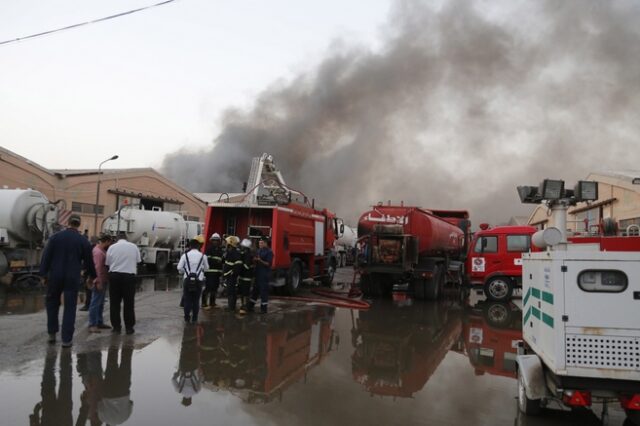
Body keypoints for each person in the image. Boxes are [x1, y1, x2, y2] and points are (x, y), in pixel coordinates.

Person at [39, 214, 96, 347]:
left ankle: (52, 334)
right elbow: (89, 261)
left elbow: (46, 257)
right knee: (70, 307)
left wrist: (43, 275)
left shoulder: (55, 238)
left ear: (68, 223)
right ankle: (66, 339)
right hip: (72, 277)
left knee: (52, 303)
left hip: (55, 276)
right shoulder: (83, 241)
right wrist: (91, 276)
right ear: (79, 224)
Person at [105, 232, 141, 335]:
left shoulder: (112, 247)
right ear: (126, 238)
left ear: (117, 239)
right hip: (129, 277)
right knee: (129, 303)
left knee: (115, 303)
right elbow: (138, 260)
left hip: (115, 276)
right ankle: (129, 327)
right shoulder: (133, 247)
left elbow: (107, 263)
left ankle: (116, 327)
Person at [98, 343, 134, 426]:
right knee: (111, 363)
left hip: (123, 391)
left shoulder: (124, 419)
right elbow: (99, 404)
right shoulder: (103, 418)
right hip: (108, 392)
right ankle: (113, 344)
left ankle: (127, 344)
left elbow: (131, 403)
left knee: (126, 361)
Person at [177, 237, 208, 324]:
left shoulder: (185, 255)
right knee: (196, 300)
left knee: (187, 300)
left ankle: (187, 318)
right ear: (199, 246)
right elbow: (207, 268)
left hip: (187, 280)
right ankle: (194, 318)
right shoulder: (203, 256)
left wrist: (186, 271)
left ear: (190, 246)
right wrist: (200, 269)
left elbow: (179, 267)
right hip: (199, 280)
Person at [88, 234, 113, 333]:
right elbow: (97, 268)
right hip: (99, 280)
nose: (110, 244)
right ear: (106, 241)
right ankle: (92, 324)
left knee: (100, 302)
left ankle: (99, 321)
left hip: (103, 279)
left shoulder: (101, 250)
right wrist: (97, 281)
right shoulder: (98, 252)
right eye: (110, 242)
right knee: (95, 302)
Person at [248, 237, 273, 314]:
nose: (260, 244)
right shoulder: (258, 251)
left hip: (264, 275)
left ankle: (263, 309)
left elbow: (268, 264)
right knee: (255, 291)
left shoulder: (269, 252)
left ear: (266, 243)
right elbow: (256, 260)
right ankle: (250, 307)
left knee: (263, 292)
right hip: (258, 274)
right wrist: (254, 260)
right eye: (259, 243)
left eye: (261, 243)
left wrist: (260, 260)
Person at [202, 233, 223, 310]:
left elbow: (221, 260)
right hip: (210, 272)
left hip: (217, 273)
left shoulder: (220, 249)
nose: (216, 242)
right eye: (214, 240)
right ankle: (204, 303)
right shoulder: (209, 249)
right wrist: (217, 261)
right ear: (212, 241)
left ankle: (212, 303)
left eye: (217, 240)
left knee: (215, 288)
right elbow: (208, 260)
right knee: (208, 288)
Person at [222, 236, 242, 312]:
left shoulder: (234, 253)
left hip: (231, 277)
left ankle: (231, 308)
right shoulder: (230, 253)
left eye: (227, 243)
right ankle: (231, 307)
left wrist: (231, 274)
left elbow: (237, 266)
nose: (225, 245)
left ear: (230, 244)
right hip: (229, 276)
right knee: (230, 292)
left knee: (231, 292)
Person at [237, 238, 254, 315]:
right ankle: (243, 306)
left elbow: (247, 266)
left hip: (246, 277)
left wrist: (241, 262)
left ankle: (245, 307)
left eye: (243, 246)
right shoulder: (245, 253)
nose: (241, 247)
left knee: (245, 293)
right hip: (243, 276)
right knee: (242, 293)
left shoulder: (247, 255)